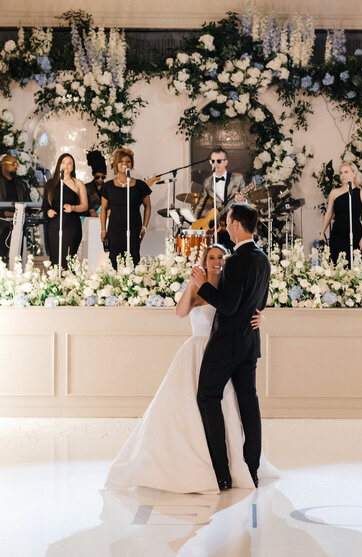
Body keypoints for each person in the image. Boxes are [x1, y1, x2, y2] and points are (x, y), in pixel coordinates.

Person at [105, 244, 278, 494]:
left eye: (221, 257)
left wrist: (261, 316)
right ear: (204, 261)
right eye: (212, 258)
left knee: (227, 407)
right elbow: (180, 312)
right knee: (190, 405)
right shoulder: (198, 286)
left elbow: (245, 307)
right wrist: (192, 284)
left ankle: (231, 465)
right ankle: (198, 462)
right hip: (197, 352)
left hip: (224, 354)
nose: (217, 261)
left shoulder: (231, 285)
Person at [190, 202, 271, 491]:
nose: (226, 226)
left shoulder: (237, 261)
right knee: (249, 404)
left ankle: (222, 474)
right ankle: (252, 470)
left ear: (237, 224)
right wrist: (259, 314)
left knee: (207, 396)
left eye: (227, 222)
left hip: (227, 344)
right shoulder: (263, 259)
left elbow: (228, 304)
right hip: (250, 343)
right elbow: (260, 301)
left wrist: (203, 286)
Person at [100, 148, 152, 268]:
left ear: (132, 164)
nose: (125, 164)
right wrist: (103, 230)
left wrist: (144, 227)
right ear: (116, 165)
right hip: (114, 229)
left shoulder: (140, 185)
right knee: (114, 260)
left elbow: (148, 206)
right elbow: (103, 209)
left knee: (133, 259)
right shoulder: (108, 186)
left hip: (134, 228)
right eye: (121, 161)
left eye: (128, 161)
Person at [319, 161, 362, 265]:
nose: (343, 175)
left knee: (354, 266)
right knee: (337, 266)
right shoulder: (334, 193)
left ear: (354, 173)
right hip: (337, 235)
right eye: (341, 173)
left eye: (346, 172)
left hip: (356, 234)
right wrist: (322, 232)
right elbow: (329, 214)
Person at [43, 153, 89, 269]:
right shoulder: (50, 184)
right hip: (54, 225)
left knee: (69, 259)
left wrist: (73, 208)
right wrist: (48, 211)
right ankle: (56, 284)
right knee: (55, 258)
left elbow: (85, 206)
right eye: (63, 162)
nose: (66, 166)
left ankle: (69, 284)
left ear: (73, 167)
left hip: (71, 225)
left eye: (69, 163)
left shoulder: (78, 183)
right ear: (59, 165)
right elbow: (45, 205)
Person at [0, 154, 30, 260]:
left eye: (16, 164)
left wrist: (25, 213)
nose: (16, 166)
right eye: (12, 164)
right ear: (3, 165)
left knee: (17, 261)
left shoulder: (21, 185)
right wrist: (5, 213)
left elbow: (29, 205)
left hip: (17, 227)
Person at [192, 146, 247, 227]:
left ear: (226, 162)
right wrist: (192, 223)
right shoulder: (208, 182)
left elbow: (248, 201)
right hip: (217, 225)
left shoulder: (238, 178)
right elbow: (200, 206)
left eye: (219, 161)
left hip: (235, 222)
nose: (215, 164)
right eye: (212, 161)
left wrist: (243, 201)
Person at [83, 150, 107, 216]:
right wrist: (90, 211)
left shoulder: (108, 188)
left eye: (103, 177)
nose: (100, 179)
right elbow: (80, 207)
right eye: (97, 177)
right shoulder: (85, 188)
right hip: (88, 222)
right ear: (93, 175)